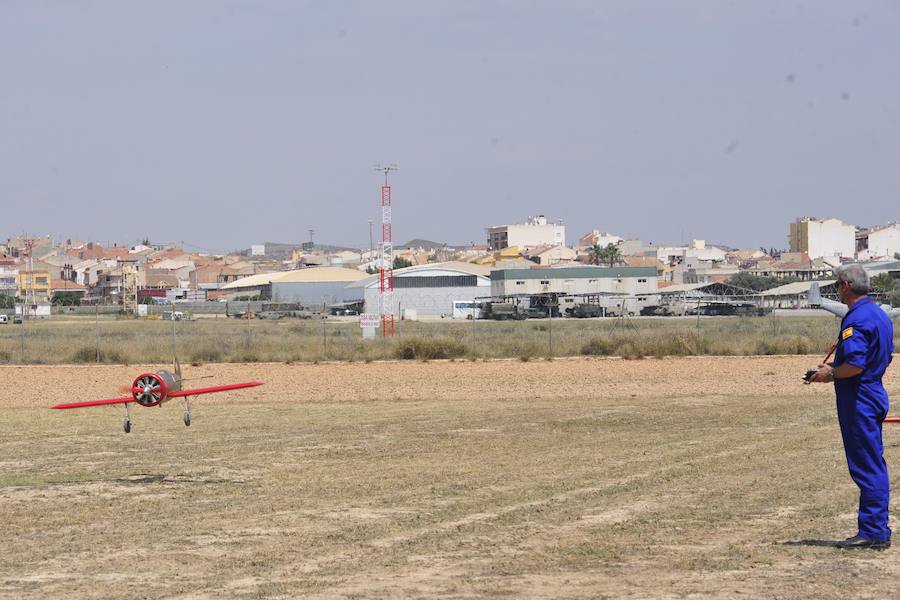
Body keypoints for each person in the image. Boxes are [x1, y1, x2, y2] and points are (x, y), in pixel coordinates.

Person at [810, 264, 894, 550]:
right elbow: (882, 356)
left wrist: (831, 373)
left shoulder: (856, 319)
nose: (837, 289)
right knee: (873, 462)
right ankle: (876, 528)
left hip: (859, 397)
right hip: (873, 391)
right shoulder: (879, 315)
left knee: (867, 466)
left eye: (837, 285)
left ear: (845, 286)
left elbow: (856, 364)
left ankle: (873, 532)